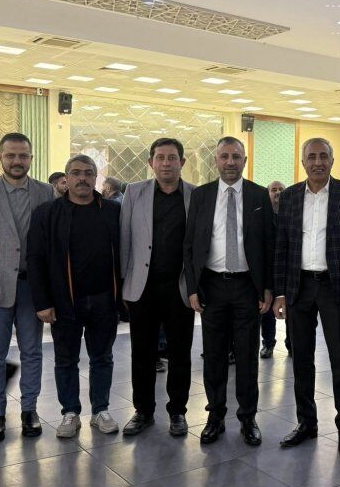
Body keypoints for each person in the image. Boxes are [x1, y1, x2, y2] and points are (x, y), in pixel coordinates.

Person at [274, 140, 340, 455]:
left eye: (323, 156)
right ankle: (306, 423)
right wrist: (280, 293)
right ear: (303, 162)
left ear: (332, 160)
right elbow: (281, 247)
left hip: (333, 287)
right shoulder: (289, 197)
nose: (317, 162)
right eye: (311, 157)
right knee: (301, 360)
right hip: (298, 287)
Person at [184, 137, 274, 446]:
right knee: (214, 355)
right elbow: (190, 245)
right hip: (211, 286)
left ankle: (248, 418)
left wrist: (268, 287)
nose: (230, 162)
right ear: (216, 160)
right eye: (224, 156)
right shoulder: (201, 195)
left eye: (236, 156)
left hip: (247, 287)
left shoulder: (259, 195)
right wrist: (192, 288)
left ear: (245, 160)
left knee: (247, 356)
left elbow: (269, 244)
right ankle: (215, 416)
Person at [28, 154, 122, 438]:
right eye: (76, 173)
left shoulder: (113, 211)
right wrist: (43, 302)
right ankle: (70, 412)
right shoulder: (47, 213)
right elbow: (36, 259)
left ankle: (100, 410)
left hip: (104, 299)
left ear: (96, 178)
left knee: (102, 357)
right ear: (66, 179)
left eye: (89, 173)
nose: (83, 178)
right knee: (66, 359)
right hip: (64, 301)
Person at [0, 133, 54, 442]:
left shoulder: (46, 193)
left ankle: (30, 410)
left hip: (34, 288)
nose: (17, 161)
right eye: (11, 155)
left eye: (23, 155)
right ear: (0, 157)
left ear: (31, 158)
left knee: (32, 352)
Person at [119, 138, 195, 437]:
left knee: (180, 354)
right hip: (143, 287)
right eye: (160, 157)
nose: (166, 163)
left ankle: (178, 411)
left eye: (172, 158)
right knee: (142, 353)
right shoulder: (134, 192)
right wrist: (124, 284)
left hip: (180, 288)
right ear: (151, 162)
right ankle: (143, 411)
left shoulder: (196, 195)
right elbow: (125, 238)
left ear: (182, 162)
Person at [261, 180, 287, 359]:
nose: (278, 193)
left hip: (287, 272)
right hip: (268, 272)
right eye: (274, 190)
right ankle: (268, 344)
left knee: (292, 310)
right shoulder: (262, 217)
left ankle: (292, 344)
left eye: (281, 190)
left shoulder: (292, 215)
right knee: (267, 311)